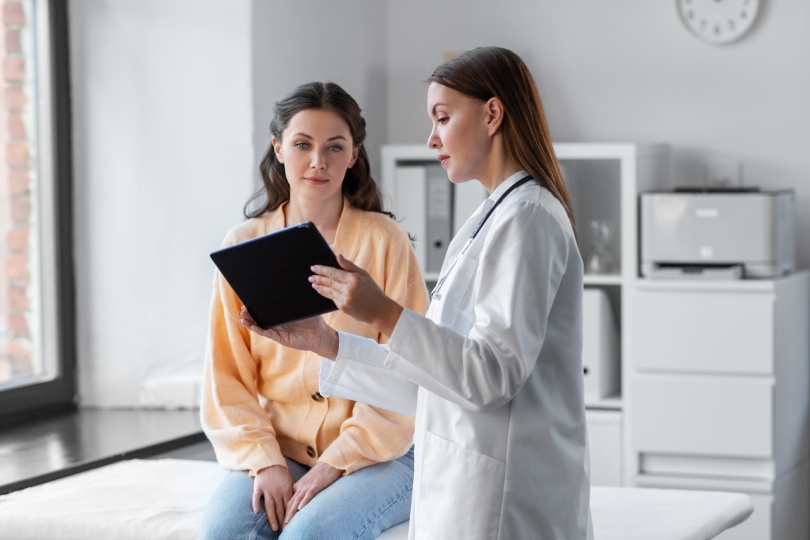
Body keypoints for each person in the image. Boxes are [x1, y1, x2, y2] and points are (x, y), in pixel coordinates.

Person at [241, 47, 593, 539]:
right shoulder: (488, 220)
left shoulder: (528, 218)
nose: (431, 139)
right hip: (463, 485)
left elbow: (490, 377)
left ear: (493, 114)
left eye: (443, 118)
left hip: (506, 502)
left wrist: (382, 311)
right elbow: (435, 379)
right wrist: (329, 343)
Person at [199, 81, 430, 540]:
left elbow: (408, 370)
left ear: (354, 155)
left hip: (380, 450)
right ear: (278, 148)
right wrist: (265, 461)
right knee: (226, 533)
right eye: (302, 144)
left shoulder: (385, 242)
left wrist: (333, 465)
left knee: (308, 535)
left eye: (334, 147)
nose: (318, 161)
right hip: (278, 446)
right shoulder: (243, 246)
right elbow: (225, 376)